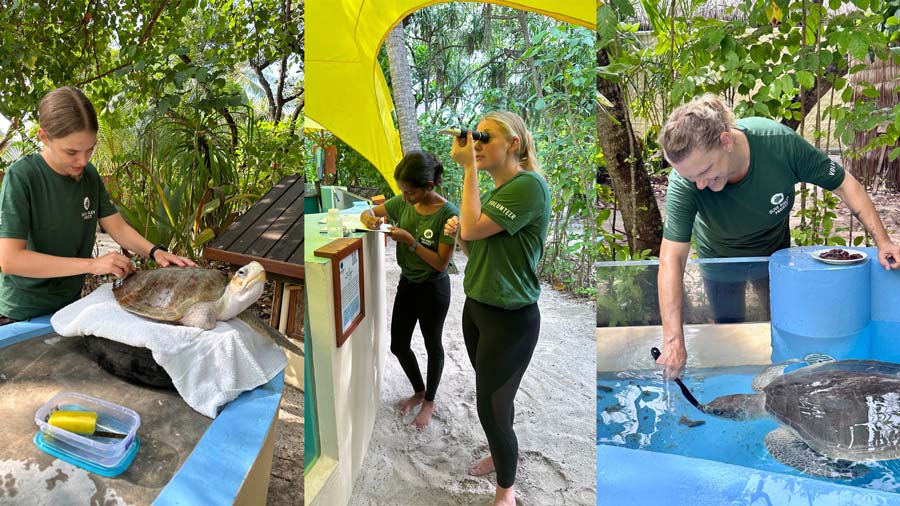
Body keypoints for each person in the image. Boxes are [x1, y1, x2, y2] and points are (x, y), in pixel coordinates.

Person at [656, 94, 900, 379]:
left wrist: (883, 241)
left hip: (774, 256)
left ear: (726, 141)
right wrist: (673, 343)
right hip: (718, 258)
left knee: (782, 328)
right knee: (729, 330)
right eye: (690, 178)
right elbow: (671, 258)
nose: (700, 184)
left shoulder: (778, 143)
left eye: (706, 171)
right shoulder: (686, 183)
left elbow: (844, 184)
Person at [0, 86, 194, 323]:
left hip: (70, 307)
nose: (82, 161)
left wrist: (156, 252)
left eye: (89, 149)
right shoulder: (22, 177)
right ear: (44, 137)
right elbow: (10, 260)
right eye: (71, 151)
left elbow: (118, 228)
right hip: (22, 312)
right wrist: (93, 265)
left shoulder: (89, 175)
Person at [443, 111, 550, 506]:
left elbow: (471, 229)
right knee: (493, 399)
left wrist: (468, 169)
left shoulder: (530, 187)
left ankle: (506, 490)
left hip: (511, 320)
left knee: (491, 407)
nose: (477, 144)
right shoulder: (497, 192)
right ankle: (501, 451)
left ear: (514, 145)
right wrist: (462, 236)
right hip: (478, 309)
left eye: (485, 137)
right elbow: (476, 247)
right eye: (476, 138)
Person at [360, 151, 458, 428]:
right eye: (401, 191)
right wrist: (369, 219)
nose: (404, 197)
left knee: (432, 344)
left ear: (429, 185)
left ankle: (430, 401)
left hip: (433, 288)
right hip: (408, 284)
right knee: (398, 344)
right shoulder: (403, 202)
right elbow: (369, 211)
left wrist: (411, 242)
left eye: (410, 192)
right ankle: (419, 390)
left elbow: (441, 263)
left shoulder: (447, 213)